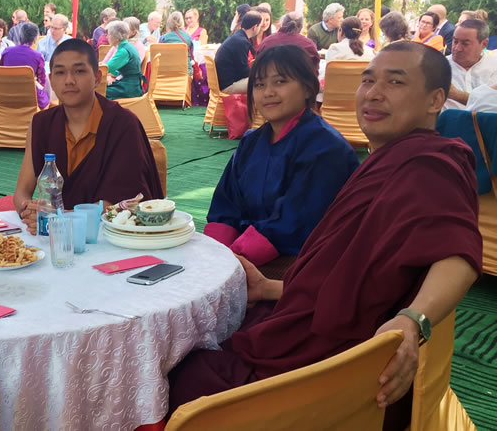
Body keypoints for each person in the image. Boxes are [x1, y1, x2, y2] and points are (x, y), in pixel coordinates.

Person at [169, 42, 482, 431]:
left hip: (339, 355)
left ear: (436, 99)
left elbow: (460, 255)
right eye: (367, 81)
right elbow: (344, 271)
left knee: (186, 375)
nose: (374, 93)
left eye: (394, 82)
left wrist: (413, 320)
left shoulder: (429, 165)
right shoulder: (375, 162)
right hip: (299, 306)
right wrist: (265, 287)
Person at [205, 45, 359, 278]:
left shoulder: (325, 147)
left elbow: (295, 222)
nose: (268, 92)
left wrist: (232, 261)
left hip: (298, 267)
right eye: (259, 84)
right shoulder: (251, 142)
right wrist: (217, 255)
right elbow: (226, 203)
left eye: (280, 82)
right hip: (241, 258)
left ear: (308, 88)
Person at [13, 40, 163, 233]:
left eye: (79, 71)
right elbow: (21, 193)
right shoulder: (41, 123)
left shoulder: (123, 124)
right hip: (58, 238)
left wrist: (59, 218)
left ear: (97, 77)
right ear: (51, 79)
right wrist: (31, 212)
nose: (69, 80)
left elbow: (125, 203)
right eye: (60, 72)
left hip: (112, 236)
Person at [445, 18, 497, 111]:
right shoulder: (440, 65)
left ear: (484, 44)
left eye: (465, 44)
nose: (457, 48)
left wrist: (457, 95)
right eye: (455, 41)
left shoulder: (494, 67)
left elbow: (492, 104)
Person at [0, 22, 50, 109]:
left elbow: (1, 71)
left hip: (7, 94)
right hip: (29, 96)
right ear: (35, 39)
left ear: (20, 35)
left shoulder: (6, 52)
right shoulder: (37, 56)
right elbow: (41, 80)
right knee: (48, 97)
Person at [214, 11, 263, 94]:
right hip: (228, 86)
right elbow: (243, 72)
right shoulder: (241, 41)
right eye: (260, 26)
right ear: (255, 27)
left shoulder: (237, 36)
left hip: (223, 82)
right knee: (262, 83)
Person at [105, 20, 144, 99]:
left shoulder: (123, 51)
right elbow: (114, 69)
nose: (107, 37)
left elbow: (106, 68)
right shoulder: (128, 46)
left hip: (129, 88)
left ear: (117, 38)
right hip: (132, 86)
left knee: (97, 92)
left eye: (109, 34)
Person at [159, 10, 194, 75]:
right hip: (185, 72)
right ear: (182, 22)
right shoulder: (188, 38)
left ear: (169, 23)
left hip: (166, 72)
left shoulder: (163, 38)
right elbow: (192, 57)